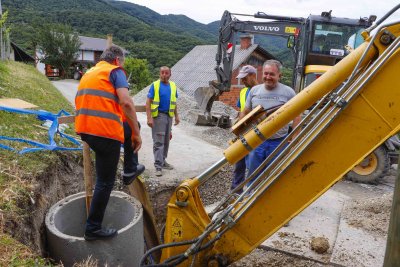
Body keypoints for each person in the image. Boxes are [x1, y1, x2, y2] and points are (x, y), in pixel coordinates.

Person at [75, 45, 142, 241]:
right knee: (105, 182)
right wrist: (137, 135)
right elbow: (126, 102)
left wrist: (132, 127)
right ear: (117, 60)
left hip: (86, 129)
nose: (123, 66)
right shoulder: (116, 71)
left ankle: (130, 168)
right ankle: (93, 228)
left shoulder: (91, 72)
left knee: (131, 123)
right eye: (123, 63)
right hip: (104, 132)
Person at [240, 59, 301, 184]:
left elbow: (297, 116)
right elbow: (245, 111)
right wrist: (240, 130)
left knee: (274, 178)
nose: (268, 77)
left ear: (279, 75)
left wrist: (295, 138)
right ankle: (250, 199)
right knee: (252, 176)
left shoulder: (288, 92)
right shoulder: (254, 91)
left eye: (272, 74)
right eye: (266, 73)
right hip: (256, 141)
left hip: (278, 143)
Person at [146, 66, 180, 177]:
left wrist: (177, 116)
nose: (164, 75)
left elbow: (174, 102)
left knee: (166, 141)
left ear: (170, 74)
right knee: (159, 142)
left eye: (166, 73)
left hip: (169, 116)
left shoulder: (173, 86)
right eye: (162, 73)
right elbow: (148, 102)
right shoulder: (155, 85)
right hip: (159, 117)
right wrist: (149, 118)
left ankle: (163, 161)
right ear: (159, 74)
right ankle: (158, 166)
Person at [231, 65, 258, 193]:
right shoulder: (243, 92)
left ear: (253, 76)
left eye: (245, 78)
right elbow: (240, 110)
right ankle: (236, 191)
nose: (242, 81)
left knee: (252, 164)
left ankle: (251, 193)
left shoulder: (261, 91)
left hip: (256, 134)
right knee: (239, 163)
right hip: (243, 133)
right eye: (241, 79)